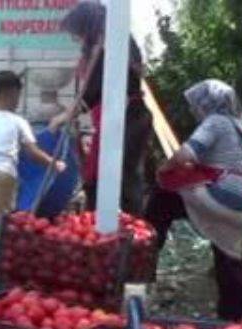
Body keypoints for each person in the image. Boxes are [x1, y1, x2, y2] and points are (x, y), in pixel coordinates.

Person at [143, 79, 242, 321]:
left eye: (197, 105)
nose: (194, 111)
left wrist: (163, 171)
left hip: (223, 199)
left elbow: (183, 157)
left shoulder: (216, 122)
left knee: (164, 197)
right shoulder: (238, 128)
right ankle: (238, 318)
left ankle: (142, 259)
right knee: (226, 257)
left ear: (208, 104)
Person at [50, 1, 152, 215]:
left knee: (123, 181)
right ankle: (101, 223)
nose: (76, 40)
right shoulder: (112, 40)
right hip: (120, 118)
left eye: (76, 34)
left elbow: (94, 88)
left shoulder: (111, 41)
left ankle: (130, 233)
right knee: (102, 177)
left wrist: (67, 115)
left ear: (86, 27)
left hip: (128, 119)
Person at [0, 71, 67, 244]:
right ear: (13, 95)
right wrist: (54, 163)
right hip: (4, 173)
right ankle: (2, 257)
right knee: (5, 219)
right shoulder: (18, 121)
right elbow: (32, 152)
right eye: (18, 96)